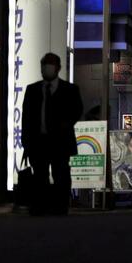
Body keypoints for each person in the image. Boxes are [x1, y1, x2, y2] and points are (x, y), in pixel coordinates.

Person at [21, 53, 83, 215]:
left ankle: (61, 206)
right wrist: (26, 142)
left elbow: (77, 110)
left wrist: (66, 123)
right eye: (44, 64)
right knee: (39, 175)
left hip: (61, 141)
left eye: (50, 64)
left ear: (58, 68)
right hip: (38, 140)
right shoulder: (32, 89)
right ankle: (39, 206)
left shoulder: (70, 90)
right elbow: (26, 117)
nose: (46, 68)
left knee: (61, 173)